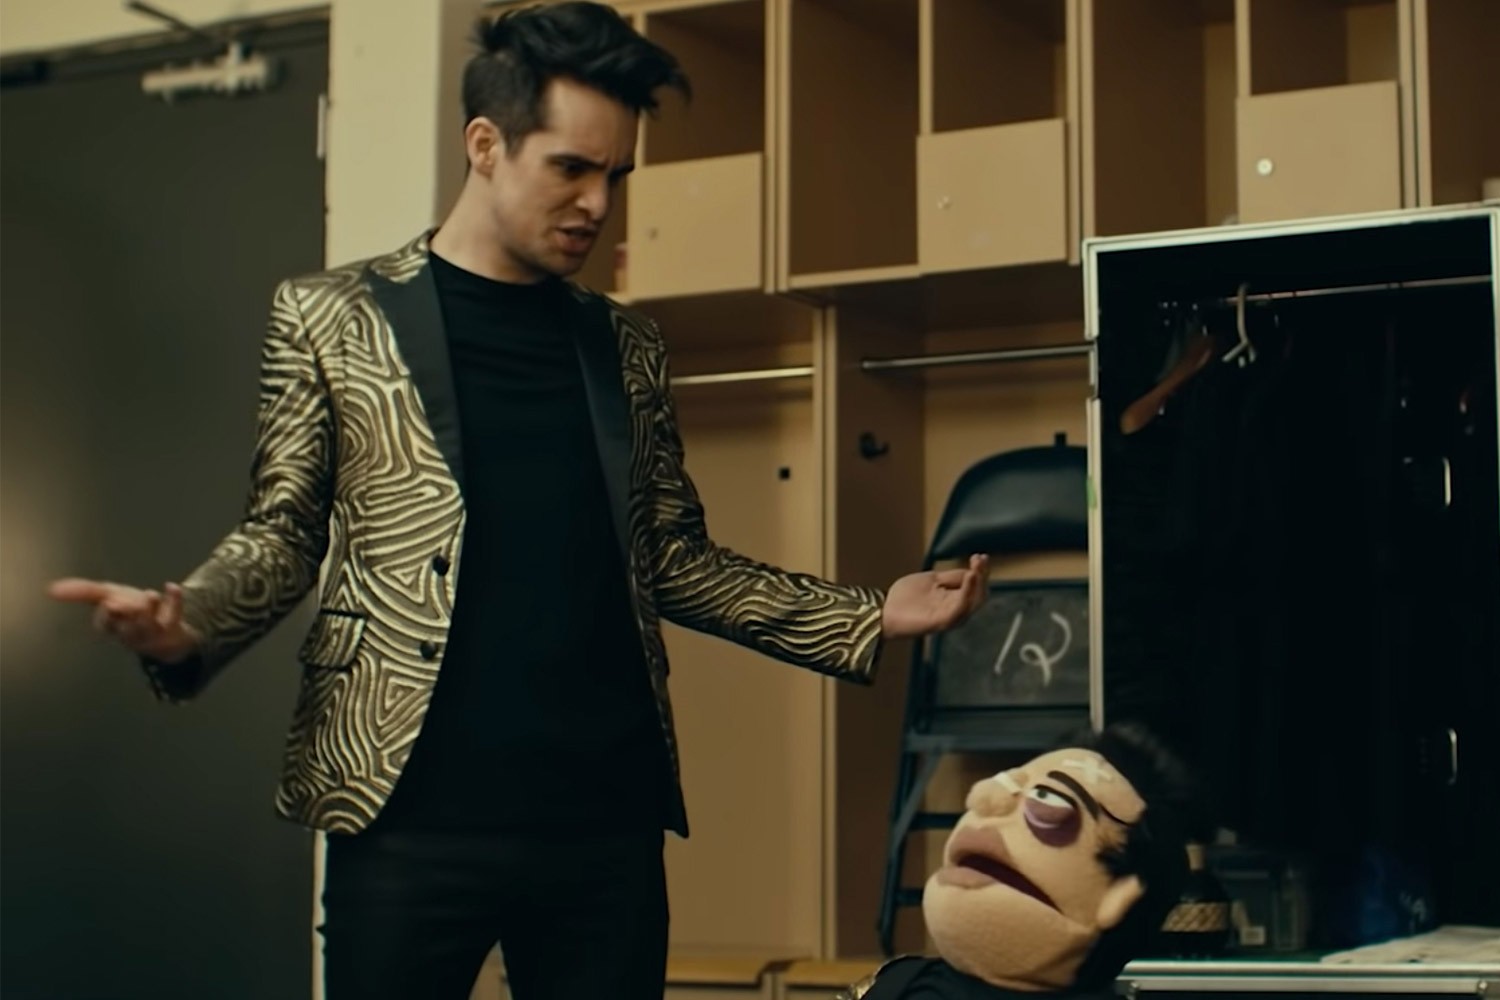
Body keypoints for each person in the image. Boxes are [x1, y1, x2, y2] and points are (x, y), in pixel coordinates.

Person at [47, 4, 988, 998]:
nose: (597, 203)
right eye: (570, 168)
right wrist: (189, 621)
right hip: (406, 813)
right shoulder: (331, 318)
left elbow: (672, 558)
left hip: (602, 818)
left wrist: (867, 613)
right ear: (485, 144)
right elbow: (285, 529)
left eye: (616, 175)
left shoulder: (626, 345)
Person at [838, 723, 1199, 999]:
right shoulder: (896, 985)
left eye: (1047, 800)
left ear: (1118, 897)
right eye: (1005, 784)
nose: (984, 801)